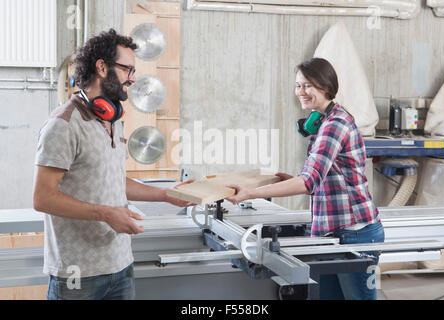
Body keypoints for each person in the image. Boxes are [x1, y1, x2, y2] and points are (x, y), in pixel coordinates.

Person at [33, 29, 191, 300]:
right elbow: (43, 198)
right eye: (127, 69)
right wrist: (106, 214)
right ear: (102, 67)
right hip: (77, 275)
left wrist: (167, 194)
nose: (133, 77)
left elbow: (113, 179)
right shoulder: (63, 125)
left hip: (120, 266)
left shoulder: (113, 120)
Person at [226, 57, 384, 300]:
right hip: (332, 233)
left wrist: (251, 192)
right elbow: (322, 179)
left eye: (308, 85)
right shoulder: (322, 121)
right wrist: (290, 180)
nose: (301, 91)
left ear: (326, 86)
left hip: (354, 232)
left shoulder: (335, 124)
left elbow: (308, 181)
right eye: (298, 85)